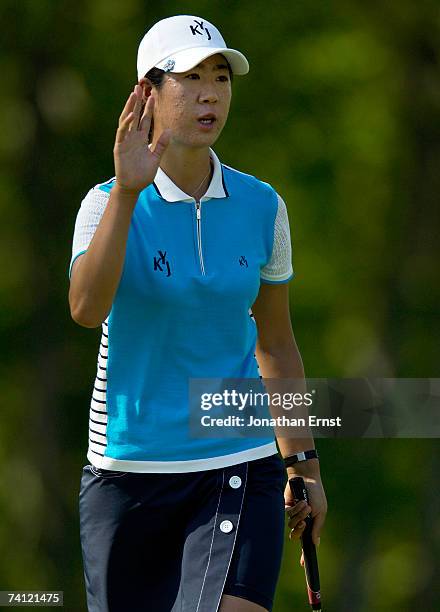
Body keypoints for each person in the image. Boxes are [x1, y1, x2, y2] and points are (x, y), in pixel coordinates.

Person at [68, 14, 327, 612]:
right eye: (189, 78)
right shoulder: (104, 204)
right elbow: (85, 309)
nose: (211, 93)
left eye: (221, 77)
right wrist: (129, 193)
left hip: (239, 463)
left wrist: (304, 465)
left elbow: (277, 346)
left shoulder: (263, 205)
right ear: (148, 95)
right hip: (128, 472)